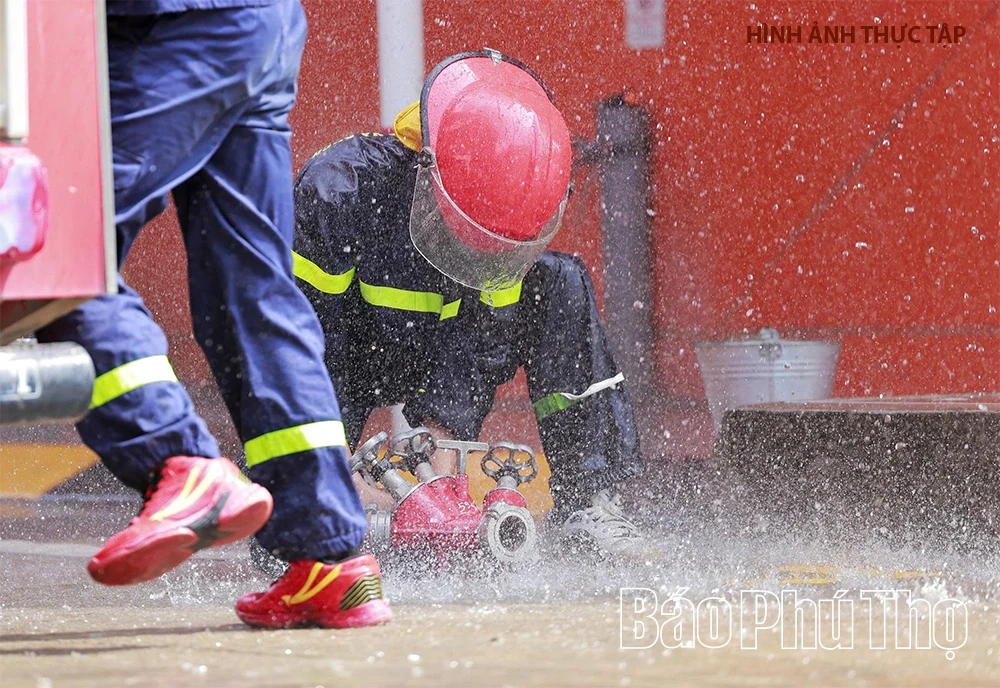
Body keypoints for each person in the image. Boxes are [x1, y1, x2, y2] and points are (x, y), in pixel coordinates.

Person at [34, 0, 391, 629]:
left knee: (58, 250)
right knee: (252, 295)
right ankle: (328, 556)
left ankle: (176, 458)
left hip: (167, 24)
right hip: (259, 23)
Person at [291, 50, 644, 557]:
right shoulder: (339, 193)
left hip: (436, 351)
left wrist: (441, 479)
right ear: (430, 177)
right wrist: (342, 477)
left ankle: (590, 503)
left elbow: (478, 348)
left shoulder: (510, 218)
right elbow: (297, 350)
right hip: (346, 359)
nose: (480, 257)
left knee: (559, 282)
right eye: (469, 240)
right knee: (298, 536)